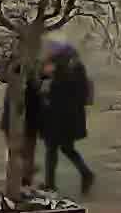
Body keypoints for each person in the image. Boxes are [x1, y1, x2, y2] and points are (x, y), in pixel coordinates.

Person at [27, 39, 95, 195]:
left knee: (55, 149)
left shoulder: (68, 69)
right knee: (63, 148)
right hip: (63, 118)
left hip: (62, 118)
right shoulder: (70, 66)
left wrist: (48, 86)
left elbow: (65, 92)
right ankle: (83, 174)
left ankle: (53, 184)